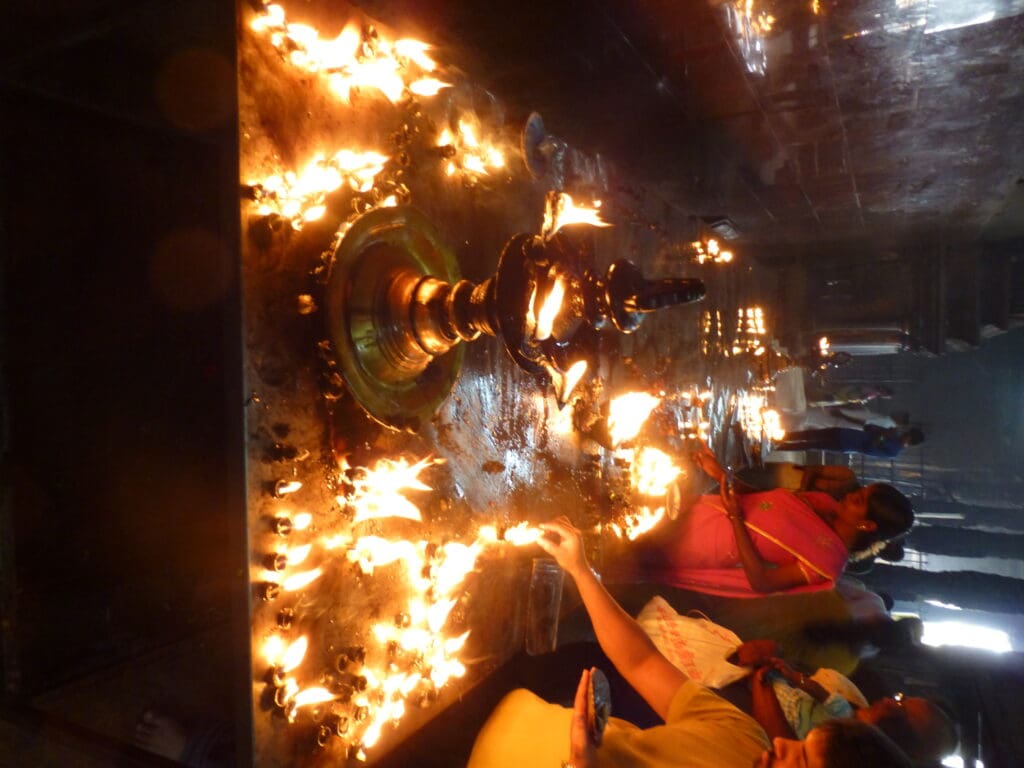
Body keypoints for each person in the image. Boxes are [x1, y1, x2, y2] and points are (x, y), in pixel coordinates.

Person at [467, 517, 913, 768]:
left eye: (798, 764)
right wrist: (580, 569)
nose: (780, 745)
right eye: (800, 743)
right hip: (506, 713)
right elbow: (641, 661)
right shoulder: (744, 734)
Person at [611, 444, 913, 597]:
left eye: (859, 500)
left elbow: (762, 582)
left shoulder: (827, 562)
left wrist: (735, 517)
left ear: (867, 525)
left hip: (707, 543)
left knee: (626, 541)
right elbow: (763, 500)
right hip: (706, 507)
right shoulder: (824, 503)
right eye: (861, 491)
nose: (852, 495)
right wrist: (719, 474)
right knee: (623, 506)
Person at [738, 642, 958, 764]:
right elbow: (801, 676)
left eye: (900, 705)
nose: (891, 699)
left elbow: (775, 740)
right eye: (901, 697)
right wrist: (777, 659)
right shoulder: (849, 699)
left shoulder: (839, 756)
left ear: (901, 738)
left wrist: (761, 676)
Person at [771, 426, 924, 458]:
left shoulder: (893, 451)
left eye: (907, 434)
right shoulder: (894, 435)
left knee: (810, 444)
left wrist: (883, 435)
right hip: (846, 433)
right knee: (810, 434)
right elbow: (868, 427)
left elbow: (869, 449)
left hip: (845, 444)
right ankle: (779, 437)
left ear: (910, 440)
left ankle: (778, 447)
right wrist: (881, 430)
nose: (904, 433)